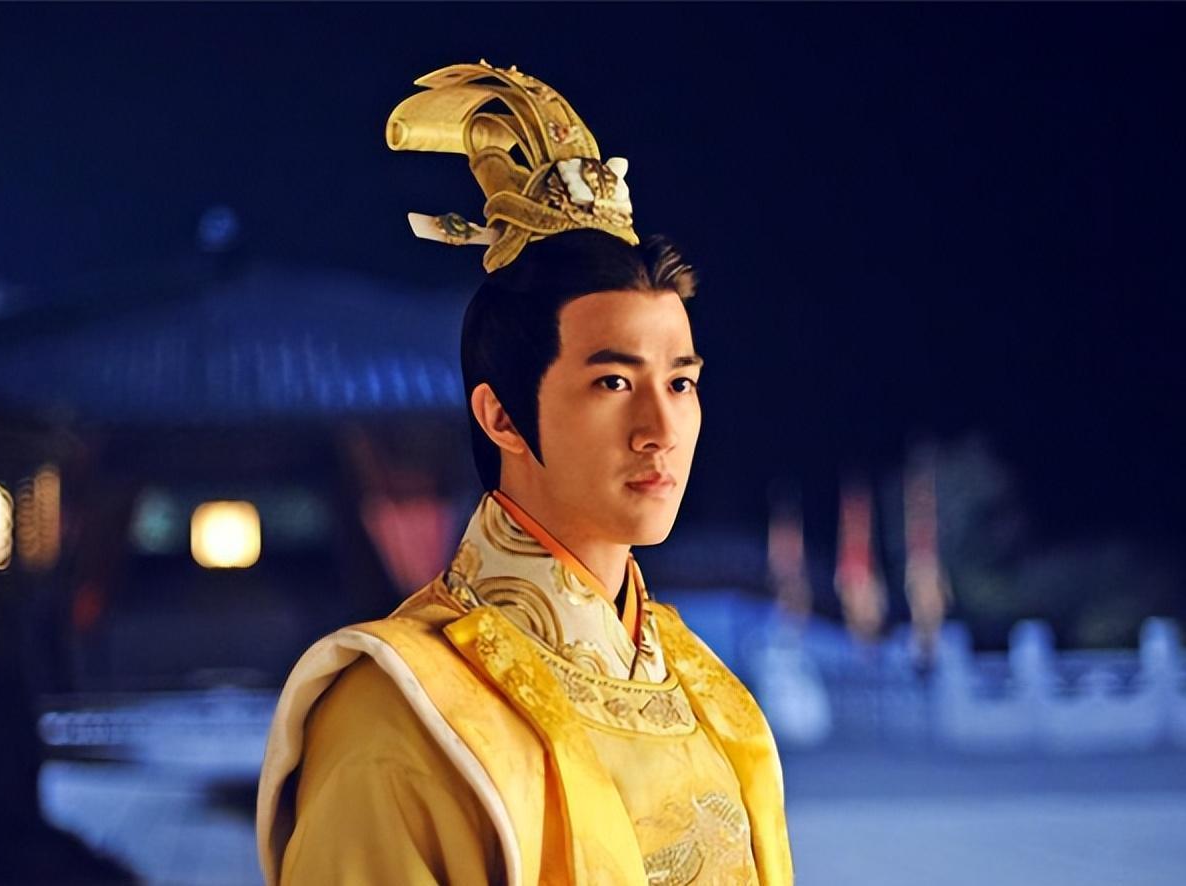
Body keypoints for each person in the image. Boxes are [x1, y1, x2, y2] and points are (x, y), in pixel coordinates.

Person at [256, 61, 795, 886]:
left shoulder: (709, 696)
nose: (660, 431)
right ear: (502, 415)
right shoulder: (402, 712)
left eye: (680, 384)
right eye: (612, 383)